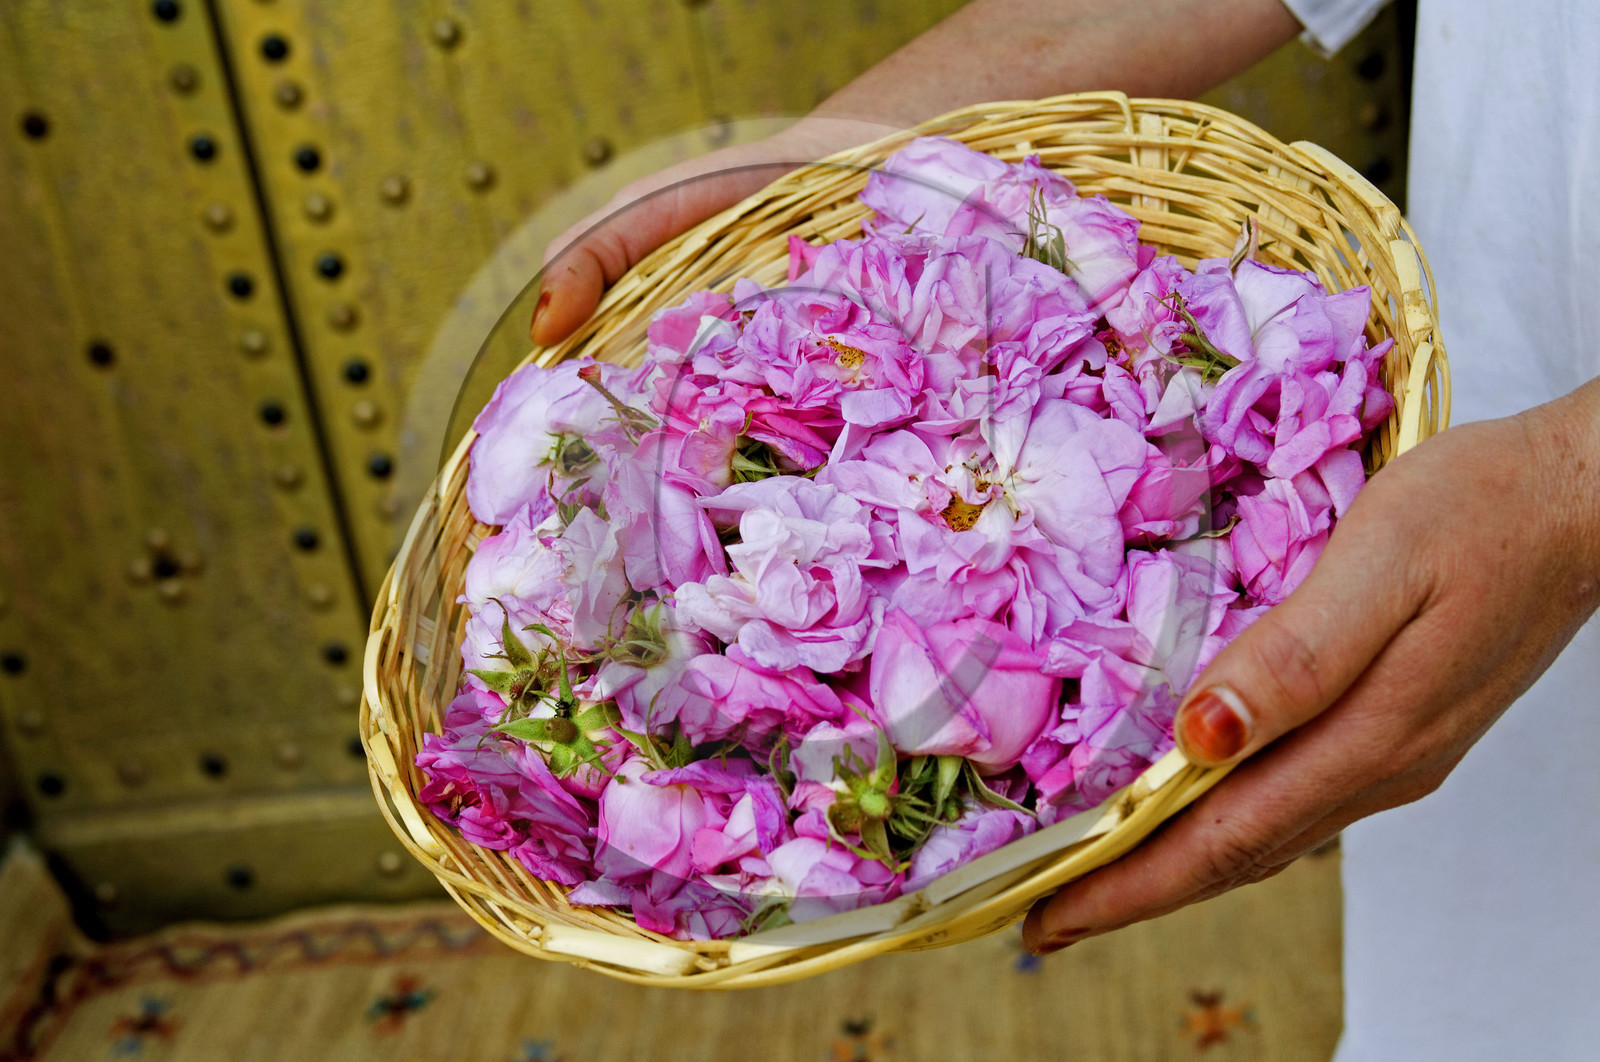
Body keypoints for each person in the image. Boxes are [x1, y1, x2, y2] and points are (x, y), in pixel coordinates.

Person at [531, 2, 1600, 1056]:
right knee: (1502, 966)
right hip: (1481, 384)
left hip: (1496, 498)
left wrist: (1567, 495)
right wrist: (819, 161)